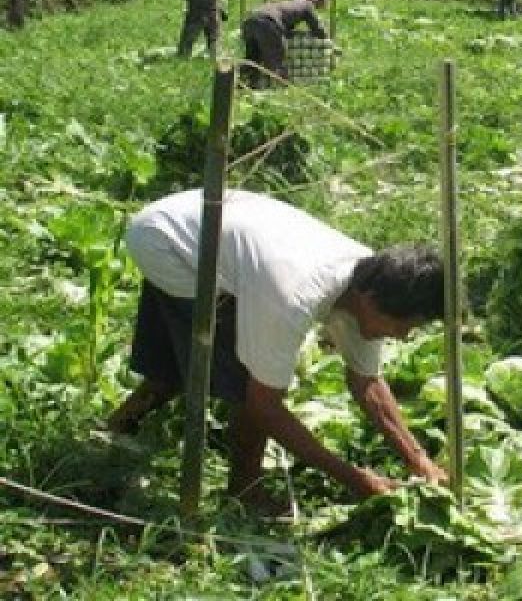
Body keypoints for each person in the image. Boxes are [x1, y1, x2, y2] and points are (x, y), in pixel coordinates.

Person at [106, 189, 447, 513]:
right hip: (168, 240)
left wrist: (418, 461)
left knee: (204, 355)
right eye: (405, 327)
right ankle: (244, 491)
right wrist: (355, 479)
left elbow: (367, 382)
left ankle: (120, 423)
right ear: (372, 302)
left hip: (204, 219)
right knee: (239, 377)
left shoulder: (370, 279)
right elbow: (264, 407)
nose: (403, 337)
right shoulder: (293, 298)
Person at [240, 0, 327, 88]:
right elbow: (318, 29)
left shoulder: (287, 3)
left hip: (249, 21)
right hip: (267, 22)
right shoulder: (307, 4)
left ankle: (243, 84)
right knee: (276, 58)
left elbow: (284, 27)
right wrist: (327, 40)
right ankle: (282, 89)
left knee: (253, 57)